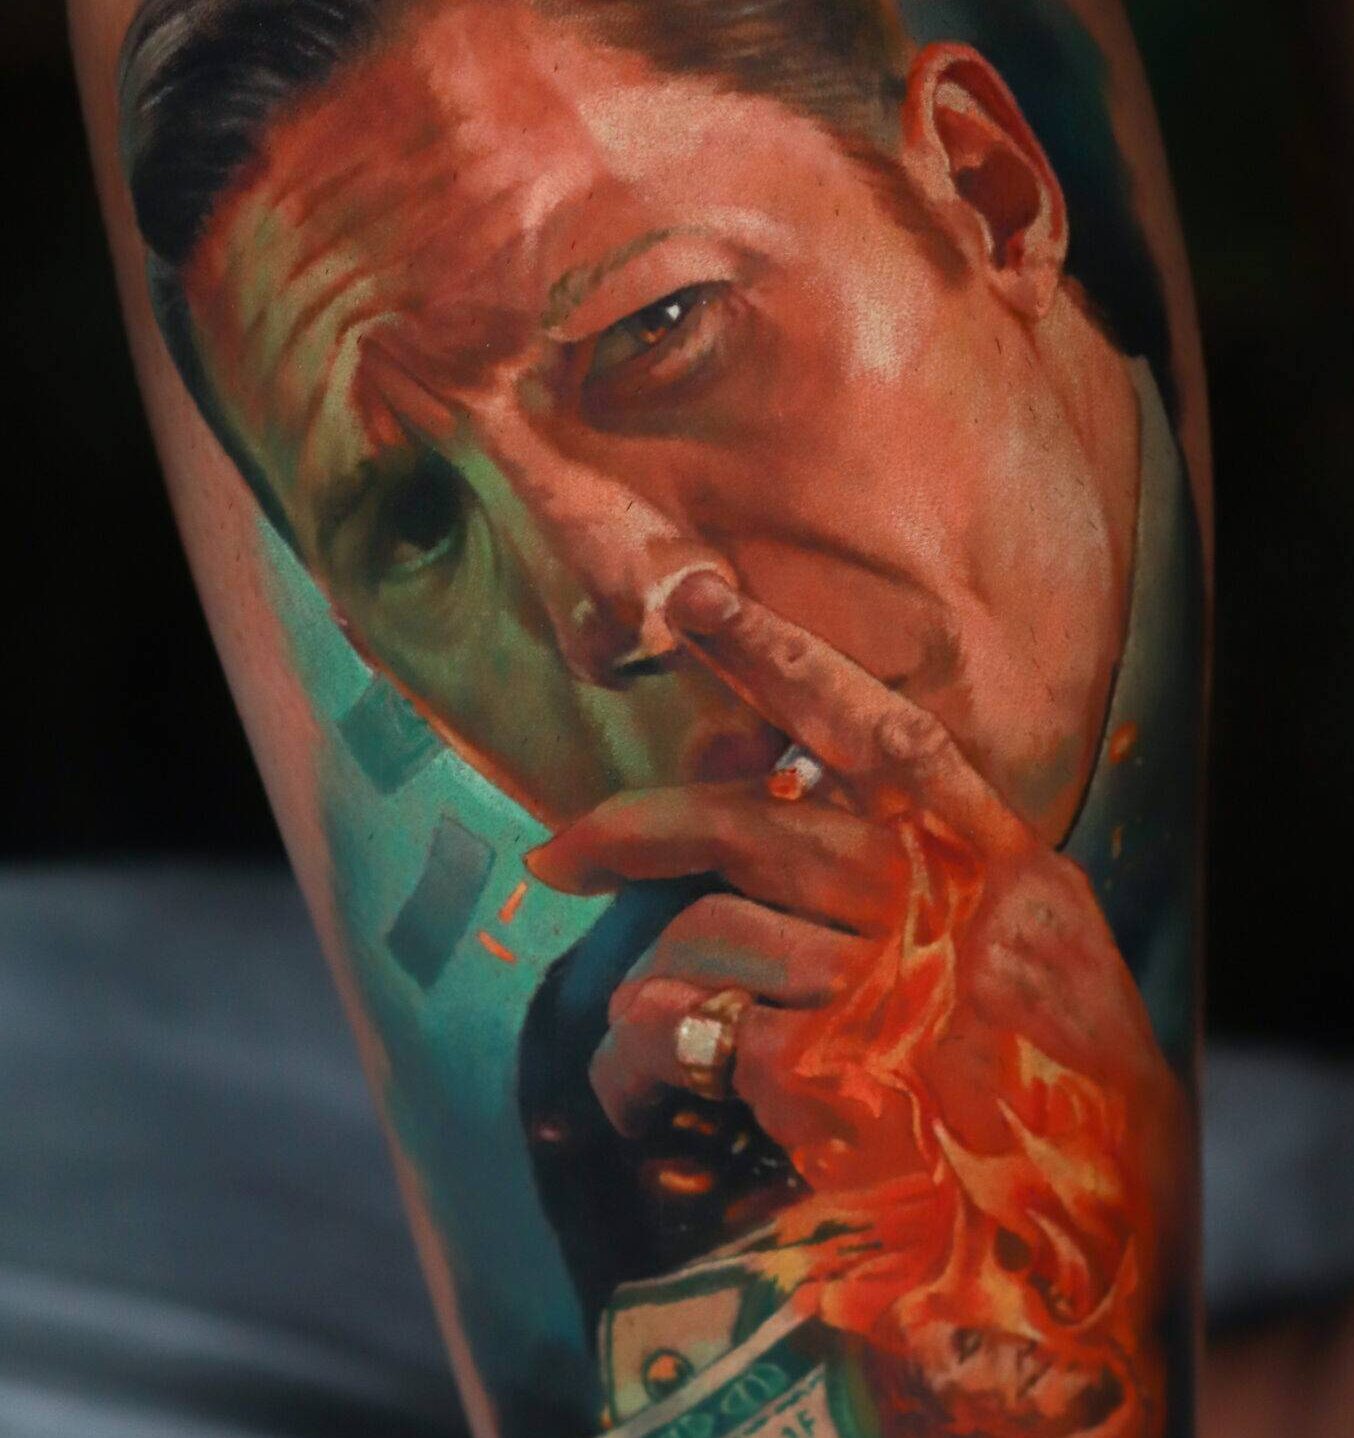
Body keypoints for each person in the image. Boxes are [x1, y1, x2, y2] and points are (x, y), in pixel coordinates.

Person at [81, 0, 1207, 1433]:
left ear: (988, 191)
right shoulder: (625, 1059)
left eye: (658, 328)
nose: (612, 602)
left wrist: (1097, 1219)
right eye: (418, 524)